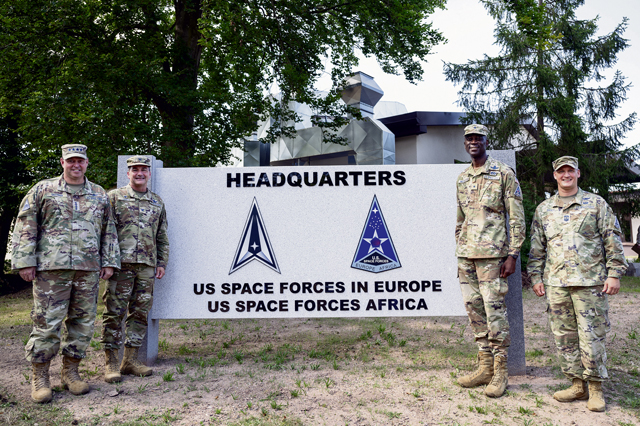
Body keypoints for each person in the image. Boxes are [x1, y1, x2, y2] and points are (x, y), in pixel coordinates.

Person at [11, 144, 120, 403]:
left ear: (86, 163)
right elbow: (26, 225)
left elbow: (109, 230)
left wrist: (109, 261)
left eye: (80, 161)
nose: (76, 165)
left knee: (82, 323)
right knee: (47, 322)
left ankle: (71, 372)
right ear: (62, 162)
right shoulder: (43, 189)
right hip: (51, 269)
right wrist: (25, 261)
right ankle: (40, 377)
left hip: (87, 269)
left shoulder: (99, 194)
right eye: (71, 161)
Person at [528, 156, 627, 412]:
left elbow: (612, 239)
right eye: (561, 171)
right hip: (556, 283)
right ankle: (576, 384)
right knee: (564, 337)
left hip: (590, 283)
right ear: (555, 175)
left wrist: (614, 273)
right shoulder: (544, 209)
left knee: (592, 336)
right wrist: (536, 277)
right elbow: (537, 247)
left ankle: (595, 387)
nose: (566, 175)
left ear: (578, 173)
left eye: (570, 170)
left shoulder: (596, 204)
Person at [455, 124, 526, 397]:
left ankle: (500, 372)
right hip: (467, 257)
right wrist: (460, 248)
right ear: (465, 143)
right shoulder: (462, 178)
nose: (473, 142)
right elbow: (460, 219)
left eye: (478, 138)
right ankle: (484, 367)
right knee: (474, 311)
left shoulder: (503, 173)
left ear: (486, 141)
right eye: (469, 138)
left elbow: (516, 217)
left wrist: (513, 254)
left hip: (493, 258)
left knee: (495, 313)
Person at [101, 155, 169, 382]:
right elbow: (105, 231)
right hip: (120, 266)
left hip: (146, 266)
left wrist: (161, 262)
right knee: (114, 313)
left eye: (143, 169)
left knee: (140, 313)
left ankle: (130, 360)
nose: (139, 173)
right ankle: (111, 362)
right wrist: (107, 261)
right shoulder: (114, 198)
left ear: (149, 173)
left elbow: (162, 235)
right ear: (128, 173)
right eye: (135, 169)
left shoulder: (157, 202)